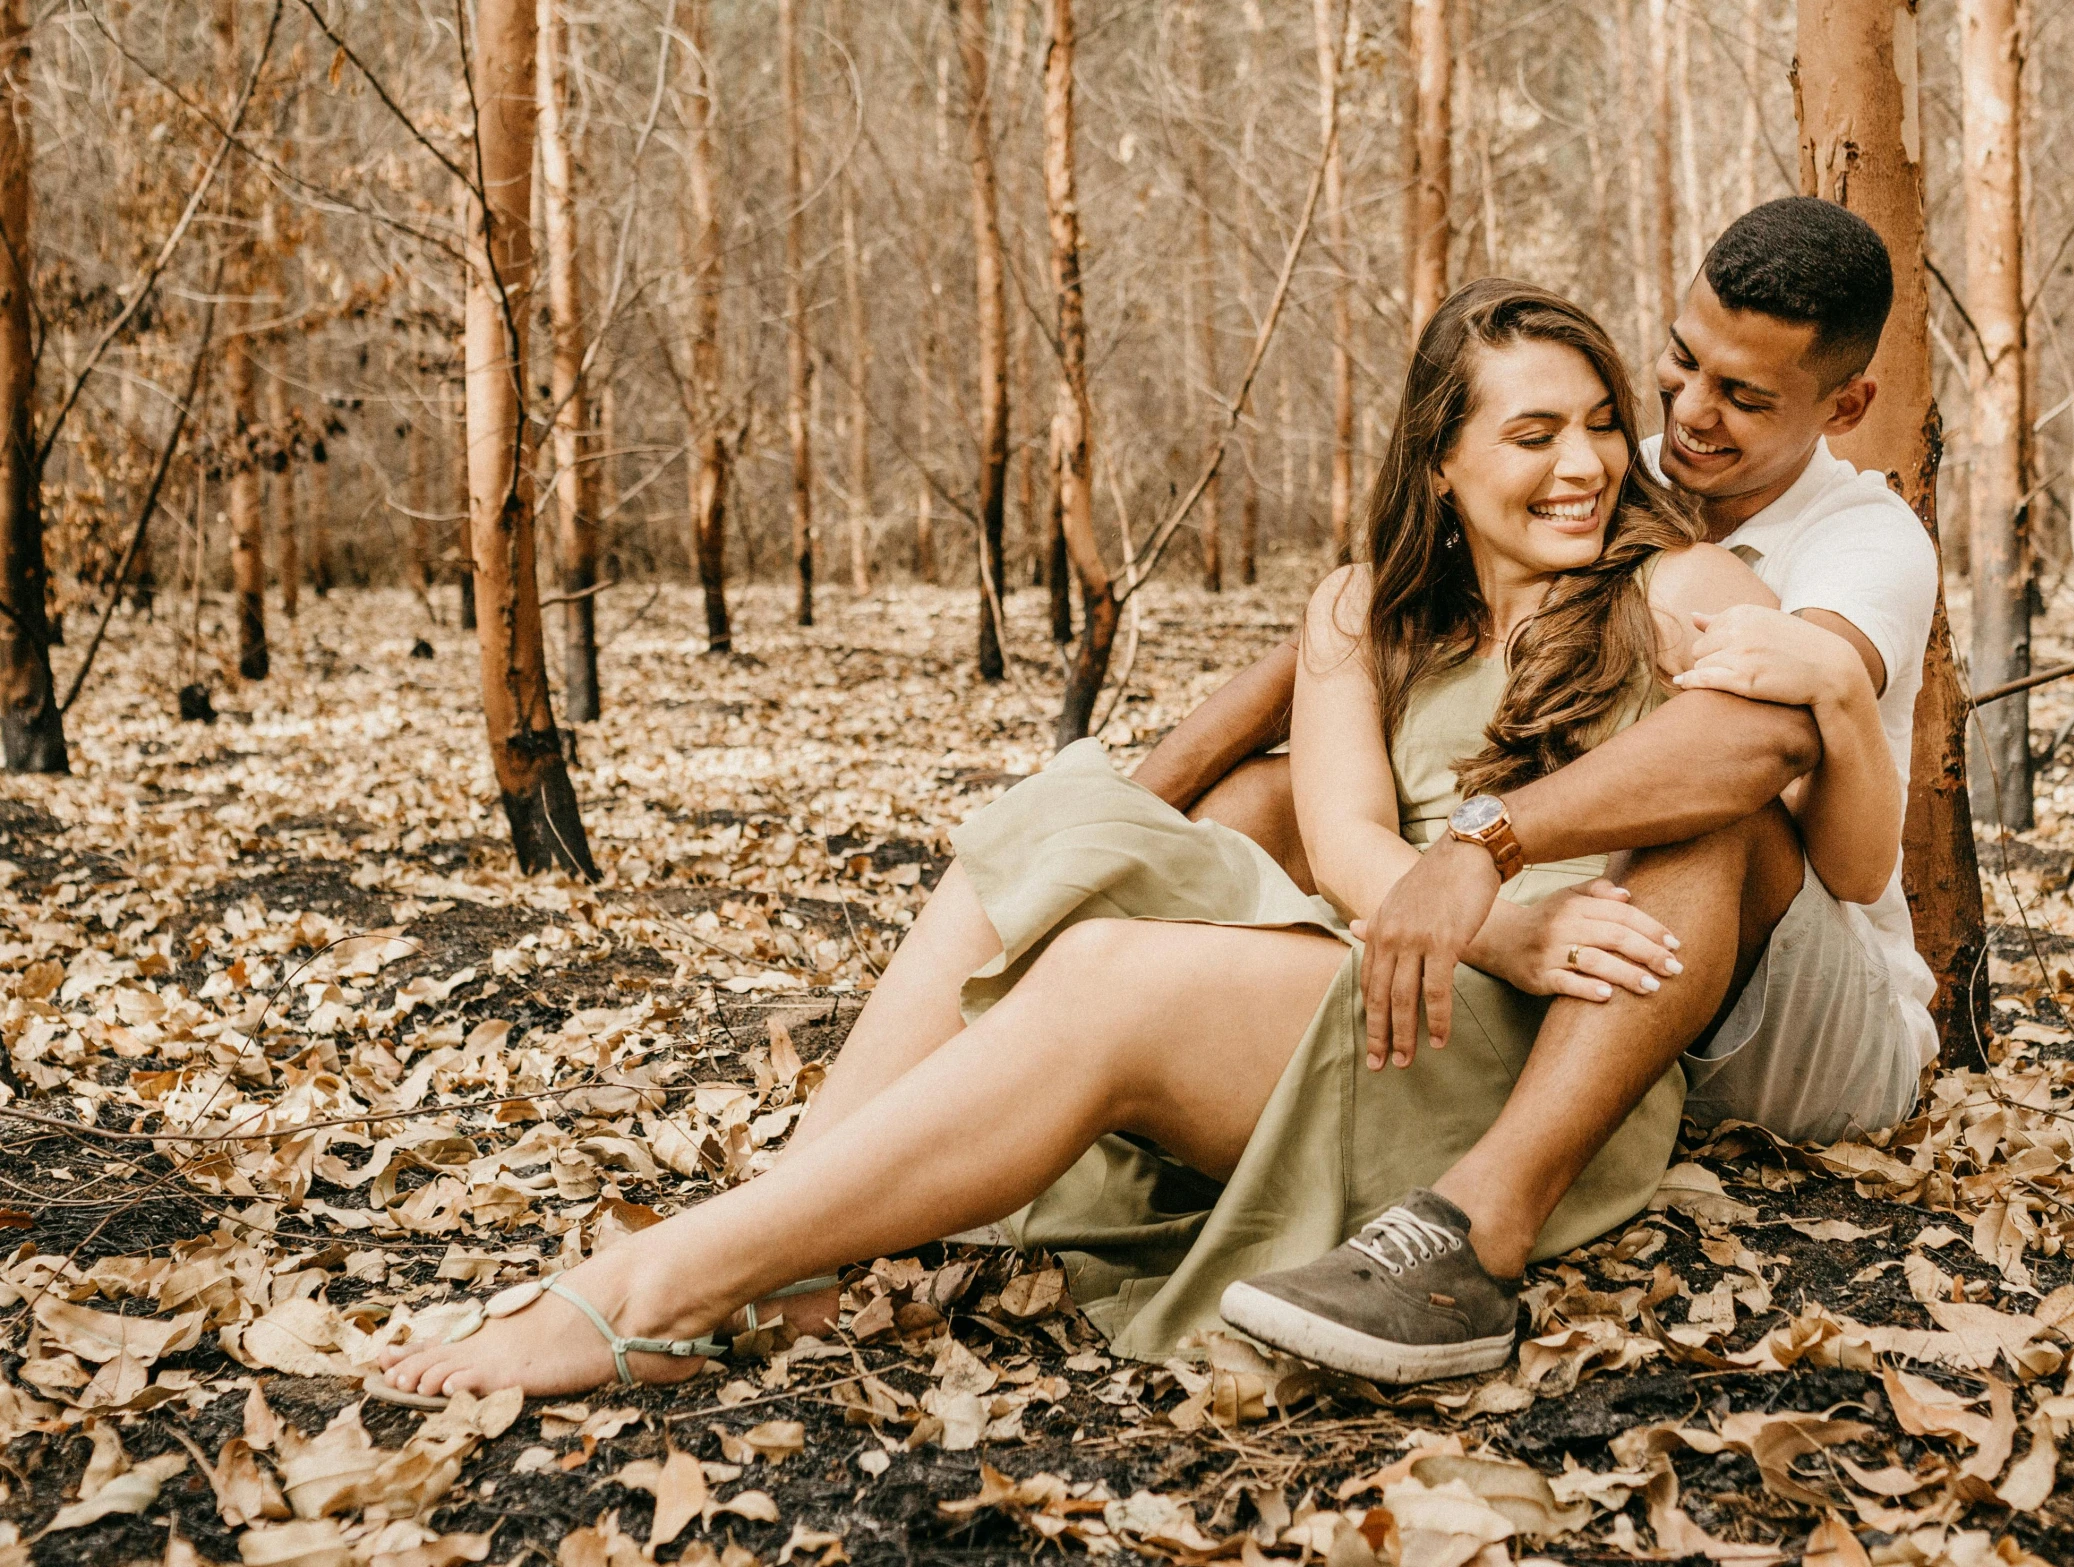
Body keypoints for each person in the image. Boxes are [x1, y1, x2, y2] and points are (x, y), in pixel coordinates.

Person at [372, 278, 1893, 1401]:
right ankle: (792, 1225)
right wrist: (1464, 904)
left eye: (1596, 426)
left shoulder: (1675, 586)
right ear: (1437, 460)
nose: (1580, 464)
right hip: (1411, 973)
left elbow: (1756, 748)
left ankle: (654, 1286)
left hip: (1544, 1045)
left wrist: (1489, 857)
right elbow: (1356, 839)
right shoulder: (1365, 613)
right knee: (1056, 815)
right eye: (1532, 433)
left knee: (1106, 971)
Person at [1217, 196, 1944, 1380]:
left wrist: (1483, 847)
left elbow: (1750, 759)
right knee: (1263, 795)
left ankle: (1476, 1237)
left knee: (1706, 796)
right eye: (1679, 359)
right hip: (1635, 982)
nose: (1688, 415)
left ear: (1842, 406)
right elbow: (1355, 627)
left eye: (1744, 396)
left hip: (1805, 1020)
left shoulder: (1866, 548)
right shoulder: (1623, 460)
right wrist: (1114, 804)